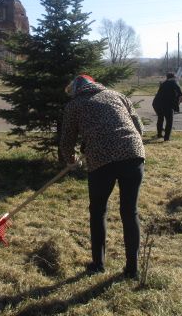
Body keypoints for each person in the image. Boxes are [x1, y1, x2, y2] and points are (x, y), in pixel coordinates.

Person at [59, 74, 145, 279]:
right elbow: (139, 127)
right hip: (133, 154)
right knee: (129, 211)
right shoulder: (117, 95)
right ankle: (132, 270)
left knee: (98, 210)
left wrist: (70, 160)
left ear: (76, 90)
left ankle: (98, 264)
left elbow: (66, 140)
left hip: (101, 158)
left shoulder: (75, 105)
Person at [152, 72, 182, 141]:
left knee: (160, 118)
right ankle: (166, 138)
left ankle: (159, 134)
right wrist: (179, 101)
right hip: (167, 105)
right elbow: (181, 96)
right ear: (173, 77)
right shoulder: (174, 82)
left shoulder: (163, 83)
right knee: (169, 121)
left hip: (156, 103)